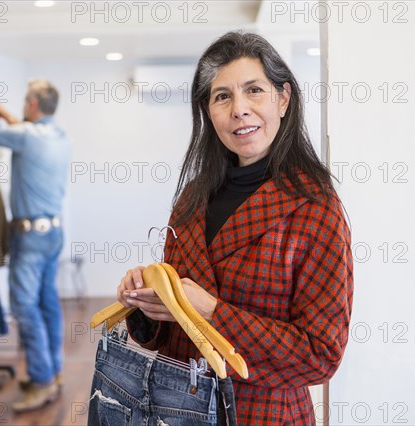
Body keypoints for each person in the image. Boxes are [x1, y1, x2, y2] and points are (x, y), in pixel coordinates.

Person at [117, 32, 353, 425]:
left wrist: (211, 311)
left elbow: (320, 355)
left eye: (254, 90)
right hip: (176, 410)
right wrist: (147, 300)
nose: (239, 110)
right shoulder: (193, 197)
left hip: (261, 415)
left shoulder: (316, 207)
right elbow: (173, 326)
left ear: (283, 98)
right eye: (222, 96)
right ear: (208, 111)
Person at [0, 79, 71, 412]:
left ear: (34, 105)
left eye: (26, 100)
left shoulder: (24, 135)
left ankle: (41, 381)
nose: (24, 105)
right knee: (47, 302)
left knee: (24, 306)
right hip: (53, 233)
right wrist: (5, 114)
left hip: (30, 238)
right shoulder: (58, 135)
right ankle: (53, 372)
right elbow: (23, 130)